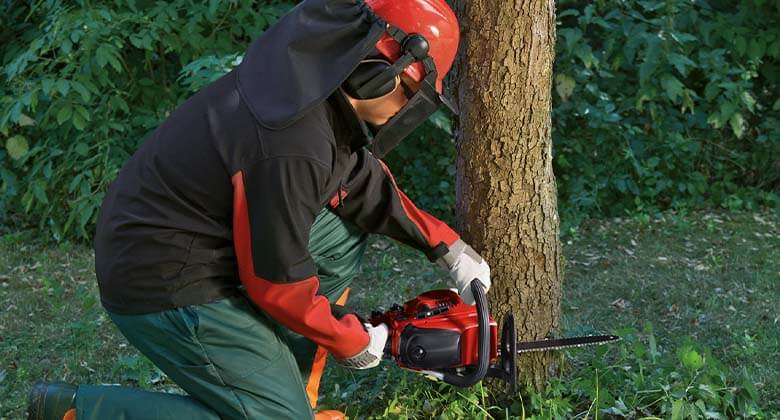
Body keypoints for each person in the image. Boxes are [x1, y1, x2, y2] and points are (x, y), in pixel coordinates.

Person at [27, 0, 491, 419]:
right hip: (163, 277)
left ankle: (281, 384)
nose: (404, 108)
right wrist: (351, 341)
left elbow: (355, 179)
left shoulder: (308, 90)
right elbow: (277, 283)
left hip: (190, 235)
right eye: (410, 93)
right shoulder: (292, 144)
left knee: (339, 234)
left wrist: (445, 246)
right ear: (380, 71)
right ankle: (76, 410)